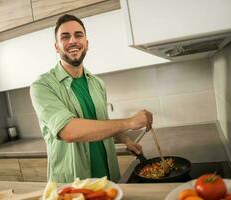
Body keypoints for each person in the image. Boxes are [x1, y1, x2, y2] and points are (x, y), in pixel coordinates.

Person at [30, 14, 153, 183]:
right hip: (73, 185)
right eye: (65, 37)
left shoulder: (97, 83)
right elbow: (69, 131)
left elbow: (101, 123)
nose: (73, 41)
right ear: (56, 47)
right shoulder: (42, 86)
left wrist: (125, 139)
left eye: (78, 35)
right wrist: (129, 122)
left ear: (86, 43)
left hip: (107, 179)